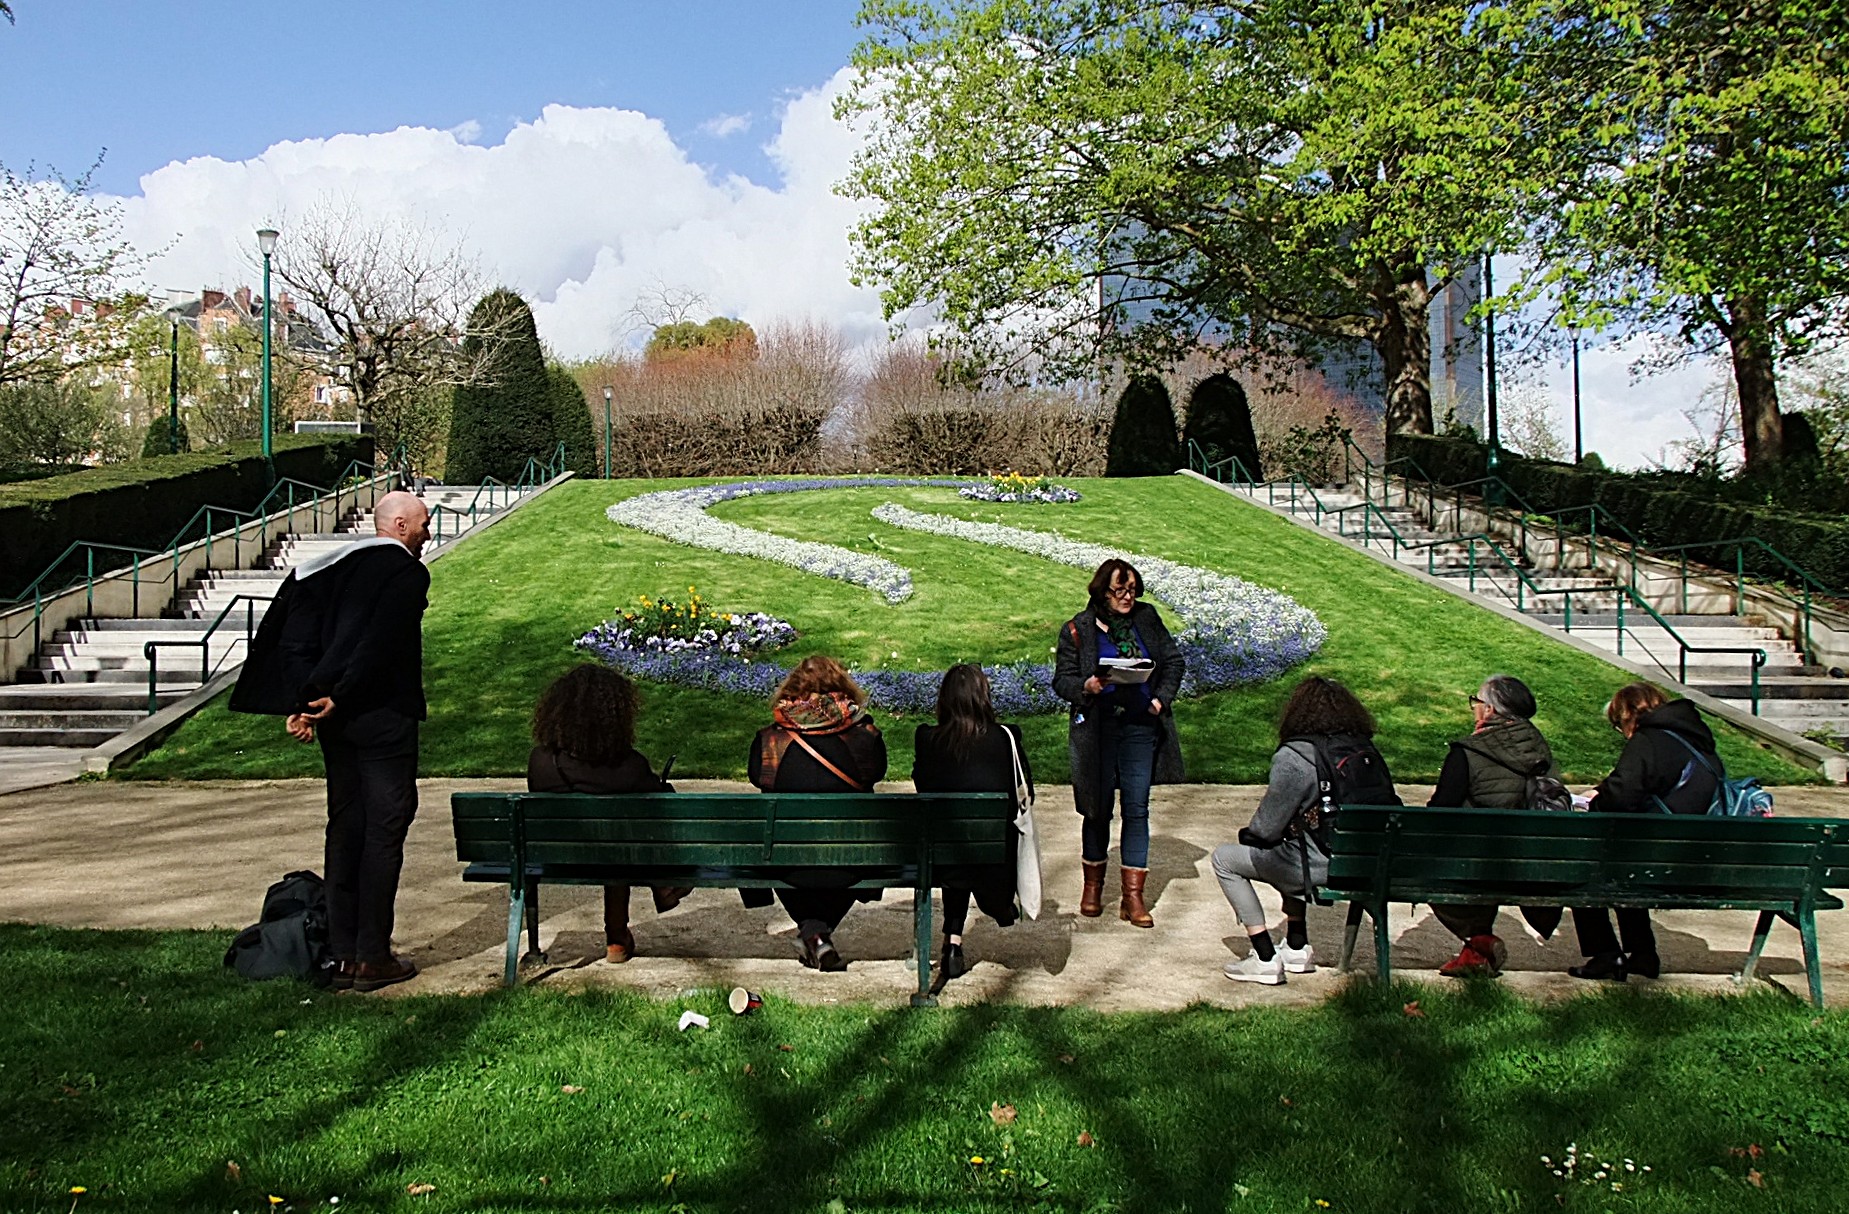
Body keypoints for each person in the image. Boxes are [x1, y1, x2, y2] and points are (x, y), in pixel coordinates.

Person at [230, 490, 432, 993]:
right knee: (385, 830)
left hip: (337, 724)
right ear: (401, 524)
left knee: (345, 826)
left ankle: (342, 955)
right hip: (383, 717)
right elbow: (381, 644)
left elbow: (296, 643)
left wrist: (307, 700)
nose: (428, 533)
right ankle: (372, 955)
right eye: (424, 524)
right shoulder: (406, 573)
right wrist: (339, 695)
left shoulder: (324, 570)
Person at [1211, 676, 1398, 985]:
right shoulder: (1366, 750)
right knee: (1292, 841)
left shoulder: (1295, 756)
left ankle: (1265, 958)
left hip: (1322, 865)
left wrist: (1251, 835)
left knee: (1226, 859)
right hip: (1368, 862)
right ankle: (1296, 946)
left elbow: (1265, 829)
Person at [1052, 558, 1185, 928]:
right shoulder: (1078, 628)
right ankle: (1092, 887)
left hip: (1140, 725)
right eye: (1119, 591)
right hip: (1098, 727)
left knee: (1137, 807)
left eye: (1132, 590)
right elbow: (1062, 680)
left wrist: (1159, 700)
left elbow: (1173, 663)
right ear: (1102, 591)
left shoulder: (1147, 619)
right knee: (1096, 808)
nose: (1127, 597)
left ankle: (1133, 896)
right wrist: (1086, 687)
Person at [526, 664, 688, 963]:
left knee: (615, 841)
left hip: (559, 856)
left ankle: (619, 937)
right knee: (623, 841)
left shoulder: (542, 761)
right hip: (616, 856)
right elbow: (665, 809)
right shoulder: (629, 766)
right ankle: (621, 932)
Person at [1569, 683, 1721, 982]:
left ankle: (1605, 954)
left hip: (1657, 857)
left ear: (1627, 716)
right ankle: (1643, 954)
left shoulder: (1647, 741)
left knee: (1582, 866)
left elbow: (1621, 798)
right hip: (1695, 856)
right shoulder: (1698, 739)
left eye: (1618, 725)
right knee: (1626, 864)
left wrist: (1593, 801)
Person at [747, 655, 888, 971]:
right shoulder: (865, 737)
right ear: (843, 688)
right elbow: (876, 773)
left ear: (793, 688)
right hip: (851, 859)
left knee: (770, 849)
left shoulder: (770, 740)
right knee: (867, 847)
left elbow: (758, 777)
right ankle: (817, 934)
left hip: (785, 860)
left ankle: (814, 933)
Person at [1425, 674, 1566, 978]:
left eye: (1476, 702)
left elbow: (1438, 815)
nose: (1474, 708)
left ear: (1489, 710)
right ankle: (1475, 953)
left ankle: (1478, 939)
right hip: (1531, 867)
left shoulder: (1468, 752)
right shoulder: (1539, 750)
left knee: (1428, 859)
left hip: (1477, 867)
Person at [911, 664, 1025, 992]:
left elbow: (923, 786)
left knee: (955, 847)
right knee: (975, 847)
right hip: (993, 857)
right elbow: (1021, 792)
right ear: (983, 697)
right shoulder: (1006, 738)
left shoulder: (927, 738)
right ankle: (997, 905)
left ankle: (953, 943)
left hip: (945, 856)